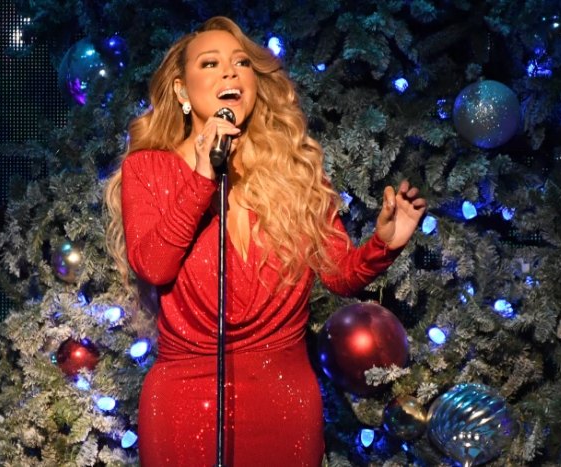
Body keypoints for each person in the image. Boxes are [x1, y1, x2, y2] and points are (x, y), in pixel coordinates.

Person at [105, 16, 426, 466]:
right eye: (210, 63)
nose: (229, 73)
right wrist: (200, 176)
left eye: (241, 64)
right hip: (185, 398)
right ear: (180, 90)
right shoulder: (149, 170)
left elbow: (339, 275)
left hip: (284, 395)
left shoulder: (293, 170)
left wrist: (383, 244)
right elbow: (154, 266)